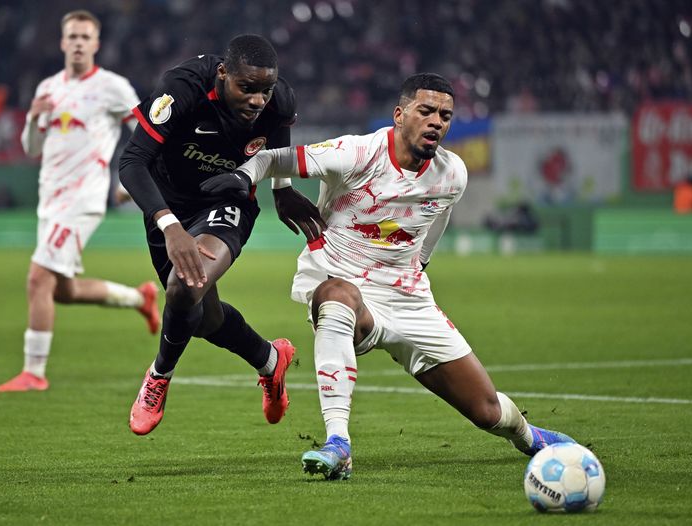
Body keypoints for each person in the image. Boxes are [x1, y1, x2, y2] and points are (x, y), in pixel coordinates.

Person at [201, 73, 576, 480]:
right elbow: (272, 158)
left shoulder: (452, 174)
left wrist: (418, 270)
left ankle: (530, 438)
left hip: (409, 299)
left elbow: (434, 224)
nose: (436, 122)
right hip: (345, 284)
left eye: (445, 115)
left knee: (487, 411)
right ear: (399, 115)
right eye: (426, 111)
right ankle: (338, 442)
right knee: (334, 295)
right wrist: (249, 180)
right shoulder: (356, 153)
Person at [118, 34, 325, 435]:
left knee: (184, 287)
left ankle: (159, 376)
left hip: (227, 202)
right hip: (168, 206)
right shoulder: (182, 88)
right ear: (222, 73)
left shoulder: (280, 101)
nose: (257, 100)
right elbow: (132, 161)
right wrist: (169, 225)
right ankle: (270, 360)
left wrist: (282, 190)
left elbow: (275, 150)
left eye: (265, 91)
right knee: (201, 318)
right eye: (246, 88)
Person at [0, 10, 160, 392]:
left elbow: (146, 132)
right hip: (49, 199)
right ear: (62, 42)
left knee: (38, 278)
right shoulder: (48, 88)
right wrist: (33, 120)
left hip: (83, 198)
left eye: (85, 37)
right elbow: (31, 147)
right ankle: (139, 298)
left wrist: (136, 179)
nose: (78, 43)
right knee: (61, 290)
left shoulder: (112, 86)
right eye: (72, 36)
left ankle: (34, 372)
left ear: (96, 44)